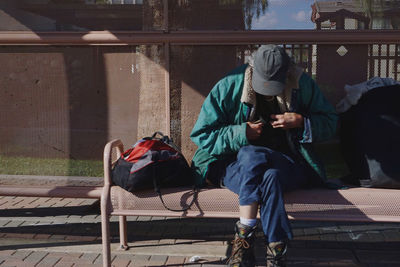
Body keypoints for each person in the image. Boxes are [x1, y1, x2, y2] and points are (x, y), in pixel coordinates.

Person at [190, 44, 338, 267]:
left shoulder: (302, 84)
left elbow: (331, 123)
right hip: (235, 166)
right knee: (266, 172)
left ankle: (243, 238)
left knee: (255, 157)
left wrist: (300, 122)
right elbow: (202, 134)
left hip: (289, 163)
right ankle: (276, 251)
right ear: (252, 71)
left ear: (288, 73)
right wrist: (242, 133)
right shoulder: (230, 84)